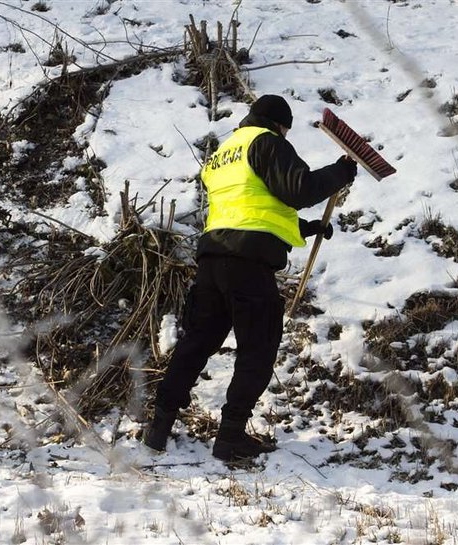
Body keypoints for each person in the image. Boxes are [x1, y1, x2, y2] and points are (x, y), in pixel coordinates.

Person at [144, 95, 358, 462]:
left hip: (213, 260)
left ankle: (158, 426)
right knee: (257, 349)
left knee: (196, 344)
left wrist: (305, 228)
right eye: (286, 129)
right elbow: (298, 189)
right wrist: (340, 172)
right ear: (279, 124)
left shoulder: (225, 152)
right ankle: (230, 437)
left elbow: (250, 207)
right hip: (248, 267)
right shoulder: (267, 141)